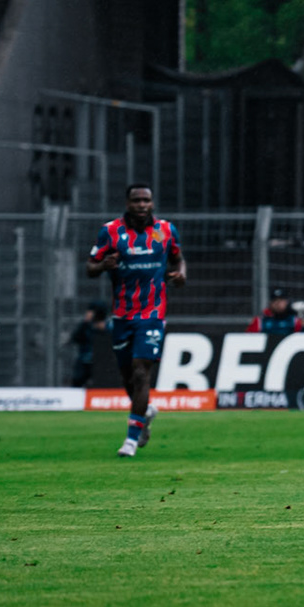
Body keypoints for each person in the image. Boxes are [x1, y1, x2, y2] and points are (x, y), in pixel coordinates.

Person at [87, 185, 186, 459]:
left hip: (152, 314)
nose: (142, 204)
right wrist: (103, 265)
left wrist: (180, 275)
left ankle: (130, 440)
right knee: (128, 377)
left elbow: (178, 259)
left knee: (142, 373)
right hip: (121, 315)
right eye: (136, 200)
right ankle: (144, 414)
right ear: (128, 203)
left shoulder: (166, 230)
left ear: (152, 203)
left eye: (146, 200)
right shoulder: (110, 231)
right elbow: (90, 267)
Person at [69, 303, 107, 388]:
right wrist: (86, 323)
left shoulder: (108, 326)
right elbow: (76, 338)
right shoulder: (86, 327)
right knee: (78, 379)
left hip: (102, 361)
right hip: (86, 359)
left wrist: (102, 328)